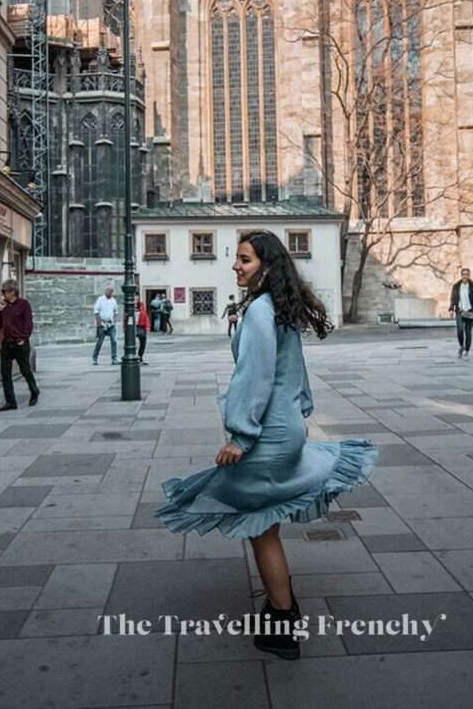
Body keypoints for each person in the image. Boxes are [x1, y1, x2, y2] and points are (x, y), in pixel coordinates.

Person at [153, 230, 379, 661]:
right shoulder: (278, 306)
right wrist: (300, 409)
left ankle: (282, 622)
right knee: (261, 523)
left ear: (267, 266)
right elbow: (295, 368)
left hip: (267, 432)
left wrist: (241, 435)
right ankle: (281, 607)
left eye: (245, 260)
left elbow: (254, 376)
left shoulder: (260, 310)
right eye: (237, 259)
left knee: (260, 527)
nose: (235, 266)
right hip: (285, 424)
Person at [0, 280, 39, 411]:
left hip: (20, 344)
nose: (3, 294)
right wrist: (0, 311)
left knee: (25, 370)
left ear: (13, 292)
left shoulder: (24, 304)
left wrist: (23, 339)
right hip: (7, 344)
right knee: (5, 374)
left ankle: (34, 391)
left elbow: (28, 323)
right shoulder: (5, 306)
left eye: (4, 291)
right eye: (2, 291)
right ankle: (10, 402)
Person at [449, 267, 473, 358]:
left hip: (469, 311)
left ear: (469, 275)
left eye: (467, 274)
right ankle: (461, 345)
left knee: (468, 332)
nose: (465, 276)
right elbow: (453, 298)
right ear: (461, 275)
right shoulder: (456, 286)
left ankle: (467, 350)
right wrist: (451, 308)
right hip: (460, 311)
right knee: (460, 330)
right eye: (463, 274)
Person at [92, 284, 119, 366]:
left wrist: (114, 321)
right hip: (102, 323)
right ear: (105, 291)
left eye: (111, 291)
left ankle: (114, 358)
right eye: (108, 291)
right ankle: (95, 358)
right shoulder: (100, 300)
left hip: (111, 324)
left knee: (114, 341)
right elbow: (96, 312)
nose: (110, 292)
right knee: (100, 342)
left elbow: (116, 312)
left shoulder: (113, 301)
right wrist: (100, 323)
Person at [135, 294, 150, 364]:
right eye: (134, 299)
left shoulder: (141, 306)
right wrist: (124, 328)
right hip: (132, 327)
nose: (135, 300)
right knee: (132, 344)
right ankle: (133, 357)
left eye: (137, 299)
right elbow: (125, 317)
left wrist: (147, 327)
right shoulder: (129, 306)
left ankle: (140, 357)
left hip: (141, 326)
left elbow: (145, 316)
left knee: (143, 343)